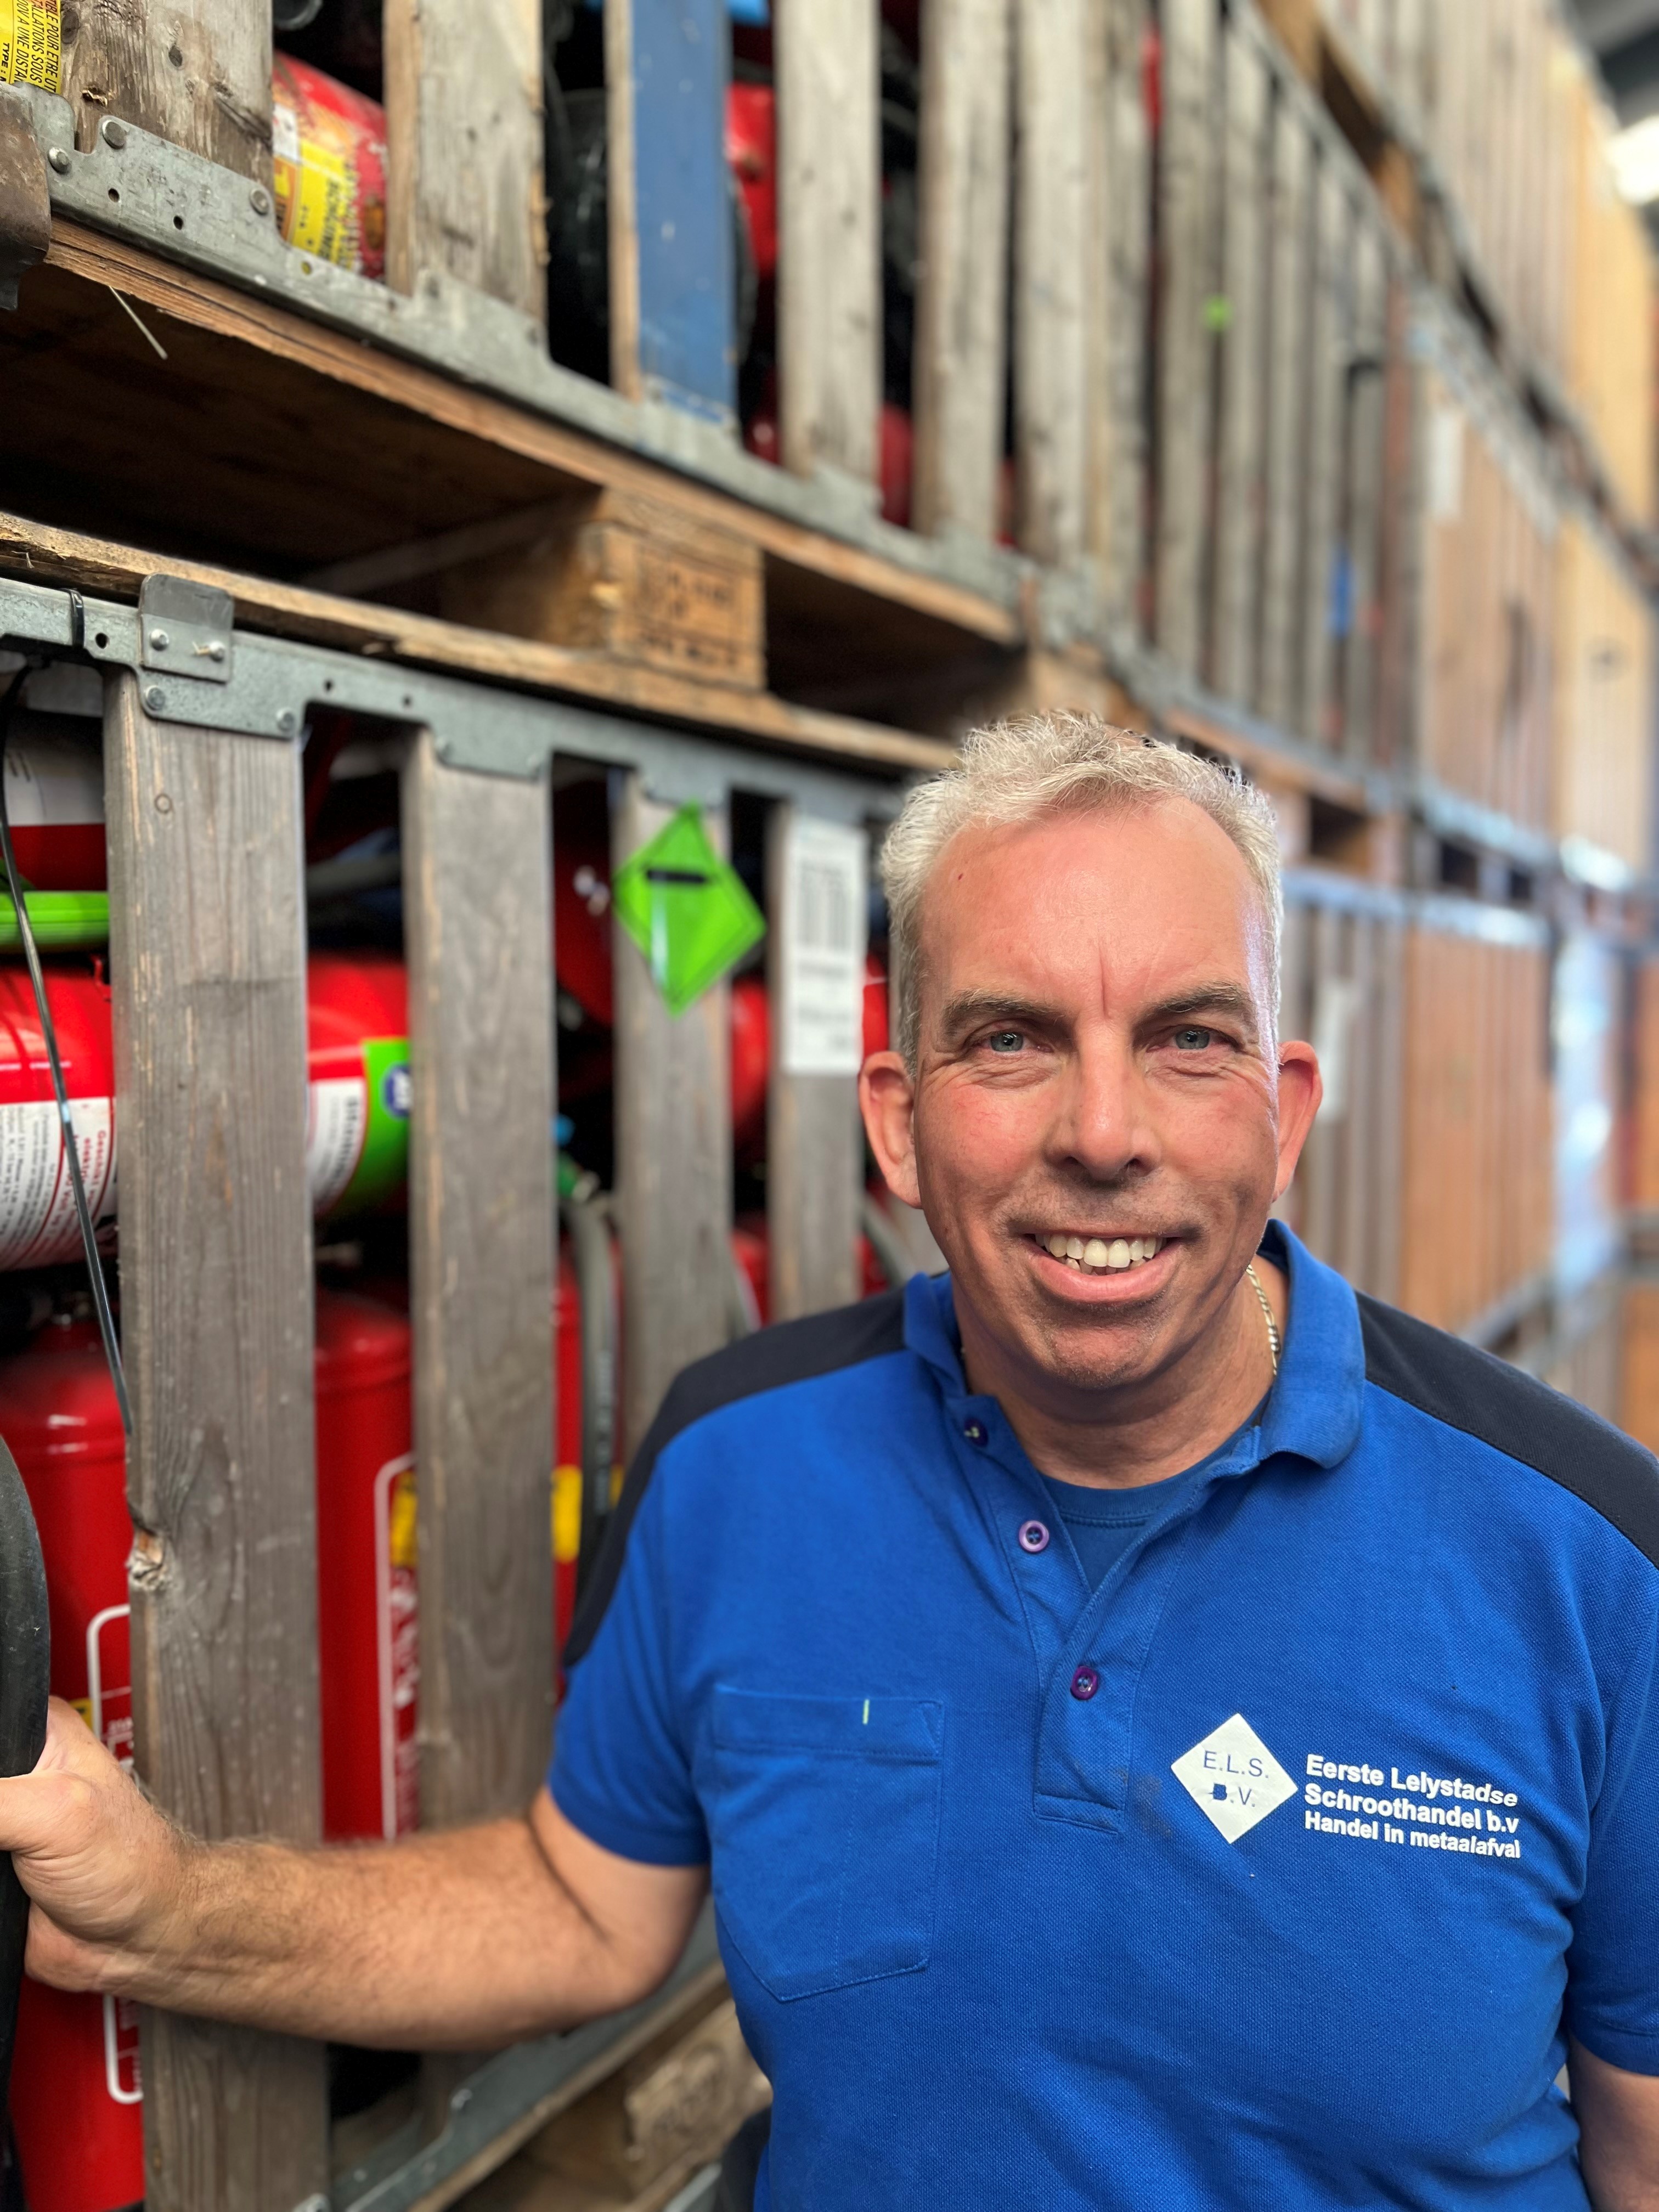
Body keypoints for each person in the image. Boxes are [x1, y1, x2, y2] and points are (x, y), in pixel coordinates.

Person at [4, 715, 1658, 2211]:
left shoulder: (1593, 1567)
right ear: (897, 1121)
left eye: (1188, 1040)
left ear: (1283, 1113)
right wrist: (165, 1907)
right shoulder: (739, 1467)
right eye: (1010, 1040)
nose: (1103, 1132)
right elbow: (584, 1909)